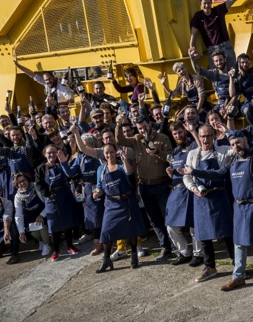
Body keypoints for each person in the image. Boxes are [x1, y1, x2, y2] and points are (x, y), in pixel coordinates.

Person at [184, 131, 253, 292]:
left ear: (246, 140)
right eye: (233, 144)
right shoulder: (233, 159)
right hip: (239, 207)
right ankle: (238, 277)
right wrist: (193, 171)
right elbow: (218, 174)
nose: (236, 146)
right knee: (239, 243)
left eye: (238, 142)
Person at [115, 114, 174, 260]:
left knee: (168, 217)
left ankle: (176, 246)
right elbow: (119, 140)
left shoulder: (162, 138)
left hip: (161, 184)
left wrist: (157, 152)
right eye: (140, 128)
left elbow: (171, 157)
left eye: (144, 127)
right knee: (154, 219)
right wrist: (118, 124)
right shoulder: (136, 140)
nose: (143, 130)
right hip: (144, 186)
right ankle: (165, 247)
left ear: (150, 124)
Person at [183, 124, 235, 282]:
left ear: (214, 136)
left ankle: (238, 264)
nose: (205, 139)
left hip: (219, 196)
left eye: (209, 136)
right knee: (204, 235)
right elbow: (187, 176)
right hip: (201, 199)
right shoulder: (193, 154)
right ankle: (210, 266)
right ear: (198, 136)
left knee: (227, 234)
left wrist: (228, 132)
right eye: (202, 136)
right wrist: (194, 188)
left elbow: (238, 146)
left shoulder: (223, 151)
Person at [93, 143, 147, 272]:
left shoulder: (122, 165)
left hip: (127, 201)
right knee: (106, 232)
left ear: (116, 152)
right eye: (106, 153)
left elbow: (130, 172)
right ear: (104, 155)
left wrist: (125, 161)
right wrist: (96, 193)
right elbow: (99, 186)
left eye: (111, 152)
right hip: (111, 204)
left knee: (131, 230)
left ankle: (134, 256)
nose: (109, 155)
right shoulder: (101, 169)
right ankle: (106, 260)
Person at [35, 145, 80, 261]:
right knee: (54, 226)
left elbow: (70, 174)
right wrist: (47, 194)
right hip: (51, 199)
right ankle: (56, 250)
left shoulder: (61, 163)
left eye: (54, 152)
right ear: (45, 154)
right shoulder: (40, 169)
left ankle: (70, 245)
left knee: (68, 223)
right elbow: (39, 184)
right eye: (49, 153)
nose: (52, 155)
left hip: (65, 195)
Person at [164, 122, 200, 266]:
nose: (178, 136)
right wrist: (170, 173)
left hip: (190, 189)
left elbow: (201, 149)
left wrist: (193, 132)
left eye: (180, 132)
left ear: (184, 132)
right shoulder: (175, 151)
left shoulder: (192, 145)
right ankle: (185, 252)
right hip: (177, 190)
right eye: (175, 134)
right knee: (171, 226)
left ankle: (199, 254)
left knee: (193, 225)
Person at [189, 0, 241, 70]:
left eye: (208, 3)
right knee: (215, 75)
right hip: (212, 49)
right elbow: (193, 34)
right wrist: (192, 50)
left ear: (211, 2)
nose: (207, 5)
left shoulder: (218, 10)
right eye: (204, 3)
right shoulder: (198, 16)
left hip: (226, 46)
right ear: (200, 4)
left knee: (234, 71)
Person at [13, 173, 52, 257]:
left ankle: (47, 244)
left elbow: (48, 202)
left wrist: (42, 215)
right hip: (31, 218)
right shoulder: (18, 196)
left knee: (42, 228)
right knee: (34, 232)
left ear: (28, 180)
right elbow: (18, 215)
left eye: (24, 180)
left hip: (44, 214)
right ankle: (40, 241)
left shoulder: (36, 187)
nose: (22, 183)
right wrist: (21, 232)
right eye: (19, 182)